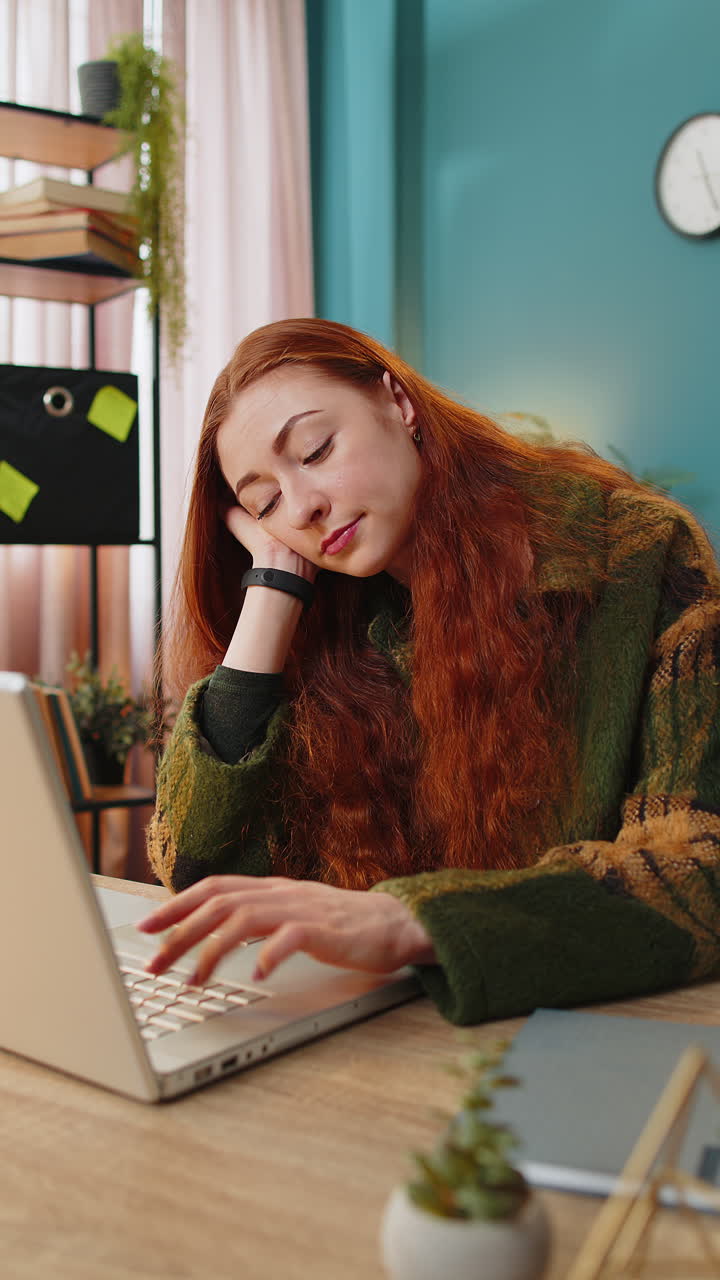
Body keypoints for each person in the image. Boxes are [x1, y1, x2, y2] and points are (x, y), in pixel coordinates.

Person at [138, 317, 720, 1024]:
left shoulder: (635, 553)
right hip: (386, 1037)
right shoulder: (331, 615)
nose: (303, 506)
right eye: (266, 502)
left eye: (317, 449)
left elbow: (698, 870)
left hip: (586, 1035)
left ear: (397, 402)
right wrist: (272, 594)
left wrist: (411, 923)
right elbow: (195, 873)